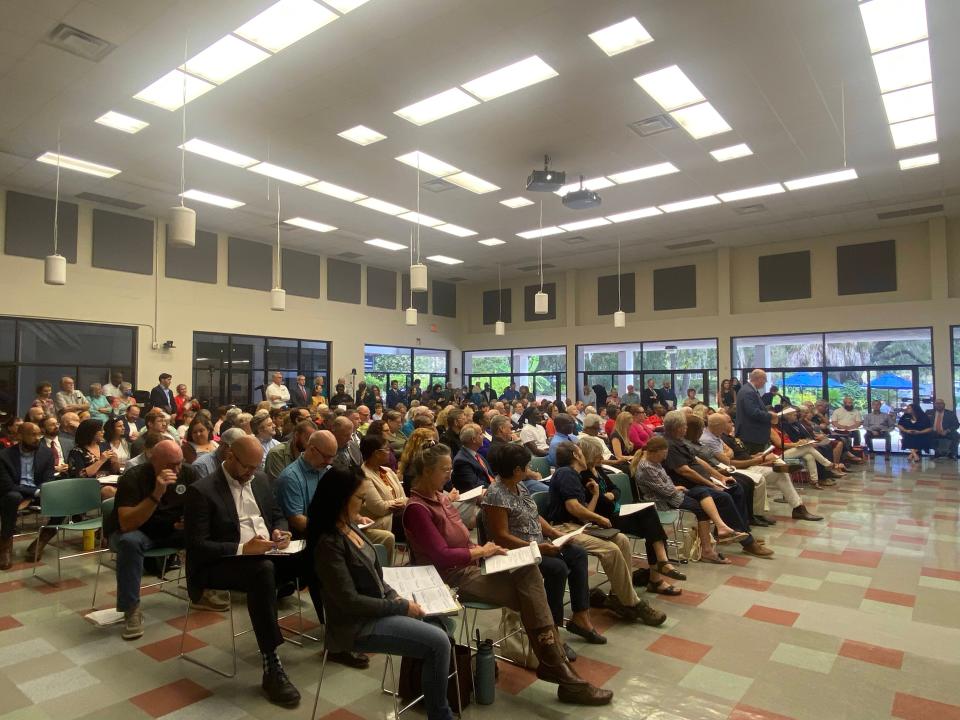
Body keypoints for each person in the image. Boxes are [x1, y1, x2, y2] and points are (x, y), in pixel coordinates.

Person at [404, 443, 612, 706]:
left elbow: (462, 540)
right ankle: (556, 663)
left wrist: (483, 551)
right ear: (426, 471)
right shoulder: (417, 508)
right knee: (531, 591)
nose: (449, 475)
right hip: (447, 578)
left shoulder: (441, 498)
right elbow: (441, 555)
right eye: (445, 470)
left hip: (470, 565)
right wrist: (480, 551)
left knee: (529, 570)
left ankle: (554, 662)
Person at [310, 466, 456, 720]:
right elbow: (350, 602)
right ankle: (440, 714)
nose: (364, 505)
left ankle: (424, 692)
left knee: (440, 623)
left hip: (375, 609)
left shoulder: (349, 526)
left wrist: (395, 597)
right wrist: (400, 607)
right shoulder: (328, 543)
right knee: (438, 642)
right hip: (355, 626)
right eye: (360, 499)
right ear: (341, 499)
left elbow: (376, 574)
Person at [184, 436, 302, 707]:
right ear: (230, 456)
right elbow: (197, 546)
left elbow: (277, 513)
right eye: (247, 467)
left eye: (255, 466)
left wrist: (280, 530)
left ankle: (340, 632)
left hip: (266, 551)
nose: (252, 472)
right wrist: (241, 548)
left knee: (316, 552)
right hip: (220, 562)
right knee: (262, 571)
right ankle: (271, 662)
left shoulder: (259, 480)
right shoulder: (202, 491)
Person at [484, 443, 605, 650]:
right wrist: (538, 548)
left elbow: (534, 516)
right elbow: (501, 537)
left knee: (577, 553)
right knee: (556, 569)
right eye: (526, 466)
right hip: (515, 552)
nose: (530, 469)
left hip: (537, 543)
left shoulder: (518, 484)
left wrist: (556, 534)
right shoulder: (496, 494)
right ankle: (552, 630)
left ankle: (580, 617)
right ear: (516, 470)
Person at [545, 440, 670, 621]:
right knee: (611, 550)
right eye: (580, 450)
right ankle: (632, 603)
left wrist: (595, 495)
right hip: (564, 529)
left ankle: (619, 595)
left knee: (621, 540)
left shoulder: (575, 475)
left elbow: (584, 512)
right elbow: (573, 507)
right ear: (575, 455)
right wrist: (599, 518)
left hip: (579, 525)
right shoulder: (566, 473)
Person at [105, 439, 205, 640]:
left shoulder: (189, 473)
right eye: (170, 465)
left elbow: (201, 507)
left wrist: (190, 520)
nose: (176, 469)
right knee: (129, 542)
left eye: (179, 462)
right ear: (153, 460)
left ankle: (204, 591)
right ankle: (131, 609)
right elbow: (127, 523)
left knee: (205, 532)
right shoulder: (133, 477)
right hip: (139, 531)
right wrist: (156, 494)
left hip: (171, 530)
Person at [661, 410, 772, 559]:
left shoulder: (679, 441)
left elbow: (698, 462)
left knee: (735, 487)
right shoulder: (670, 445)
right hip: (687, 487)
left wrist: (720, 477)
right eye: (684, 426)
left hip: (700, 481)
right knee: (723, 496)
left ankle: (741, 532)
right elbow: (685, 471)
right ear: (678, 427)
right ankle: (748, 543)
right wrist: (711, 484)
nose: (686, 429)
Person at [633, 436, 749, 564]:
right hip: (663, 501)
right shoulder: (646, 467)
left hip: (671, 495)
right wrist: (676, 488)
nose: (665, 457)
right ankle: (708, 549)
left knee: (702, 492)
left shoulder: (653, 462)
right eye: (664, 453)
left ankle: (720, 528)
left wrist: (675, 488)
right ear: (655, 452)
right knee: (701, 509)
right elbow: (665, 490)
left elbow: (666, 482)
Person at [0, 423, 56, 569]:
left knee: (63, 498)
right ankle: (5, 545)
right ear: (20, 436)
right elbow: (7, 485)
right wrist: (34, 493)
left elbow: (49, 480)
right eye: (33, 435)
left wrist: (41, 491)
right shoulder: (4, 456)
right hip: (15, 492)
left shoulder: (46, 454)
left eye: (39, 434)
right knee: (13, 497)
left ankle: (42, 539)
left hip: (39, 491)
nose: (37, 438)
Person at [358, 434, 407, 542]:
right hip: (378, 522)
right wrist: (401, 502)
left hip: (397, 516)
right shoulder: (364, 476)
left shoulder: (388, 471)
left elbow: (405, 497)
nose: (390, 452)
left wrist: (401, 502)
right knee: (413, 516)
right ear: (376, 453)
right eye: (386, 449)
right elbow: (379, 508)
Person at [735, 369, 777, 454]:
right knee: (755, 461)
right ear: (759, 379)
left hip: (753, 434)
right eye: (765, 379)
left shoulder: (749, 390)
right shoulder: (748, 392)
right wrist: (770, 416)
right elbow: (753, 412)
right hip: (752, 435)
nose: (765, 382)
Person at [265, 419, 317, 483]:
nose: (310, 445)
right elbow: (280, 485)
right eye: (307, 439)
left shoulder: (310, 453)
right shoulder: (276, 454)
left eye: (312, 442)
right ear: (296, 435)